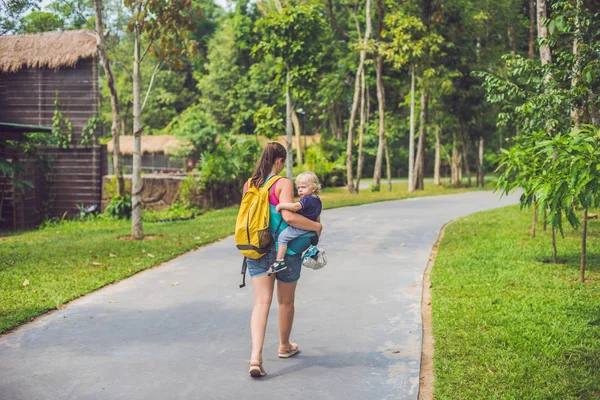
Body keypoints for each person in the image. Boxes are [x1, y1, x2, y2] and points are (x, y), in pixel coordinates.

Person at [243, 142, 322, 377]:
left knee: (261, 303)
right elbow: (290, 217)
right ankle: (284, 346)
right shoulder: (283, 183)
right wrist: (316, 226)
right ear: (279, 161)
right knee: (285, 302)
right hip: (283, 251)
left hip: (256, 248)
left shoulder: (249, 184)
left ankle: (255, 357)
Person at [269, 171, 322, 275]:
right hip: (310, 227)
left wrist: (281, 206)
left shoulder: (307, 200)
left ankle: (279, 261)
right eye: (298, 188)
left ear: (313, 188)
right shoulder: (317, 200)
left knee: (283, 237)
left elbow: (295, 207)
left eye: (303, 187)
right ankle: (313, 248)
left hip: (301, 227)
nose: (300, 190)